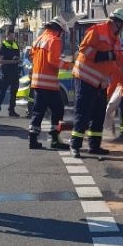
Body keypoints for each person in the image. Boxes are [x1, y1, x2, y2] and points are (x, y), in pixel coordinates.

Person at [69, 8, 123, 158]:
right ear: (116, 22)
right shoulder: (97, 30)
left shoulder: (116, 38)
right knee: (83, 113)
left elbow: (118, 59)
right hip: (85, 78)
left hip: (101, 82)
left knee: (99, 114)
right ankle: (75, 145)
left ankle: (94, 146)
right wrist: (104, 55)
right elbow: (84, 49)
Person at [27, 16, 72, 150]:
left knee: (38, 112)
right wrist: (68, 65)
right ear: (58, 29)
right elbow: (53, 61)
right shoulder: (54, 40)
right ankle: (55, 140)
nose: (62, 35)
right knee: (58, 111)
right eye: (62, 32)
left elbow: (31, 56)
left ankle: (33, 140)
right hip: (49, 84)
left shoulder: (39, 39)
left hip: (37, 83)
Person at [0, 29, 21, 118]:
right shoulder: (3, 45)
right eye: (11, 36)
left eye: (14, 36)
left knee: (14, 94)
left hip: (15, 73)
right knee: (1, 94)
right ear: (7, 36)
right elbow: (0, 61)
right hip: (5, 73)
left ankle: (11, 111)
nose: (13, 38)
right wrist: (12, 62)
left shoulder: (16, 45)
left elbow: (18, 57)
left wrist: (18, 60)